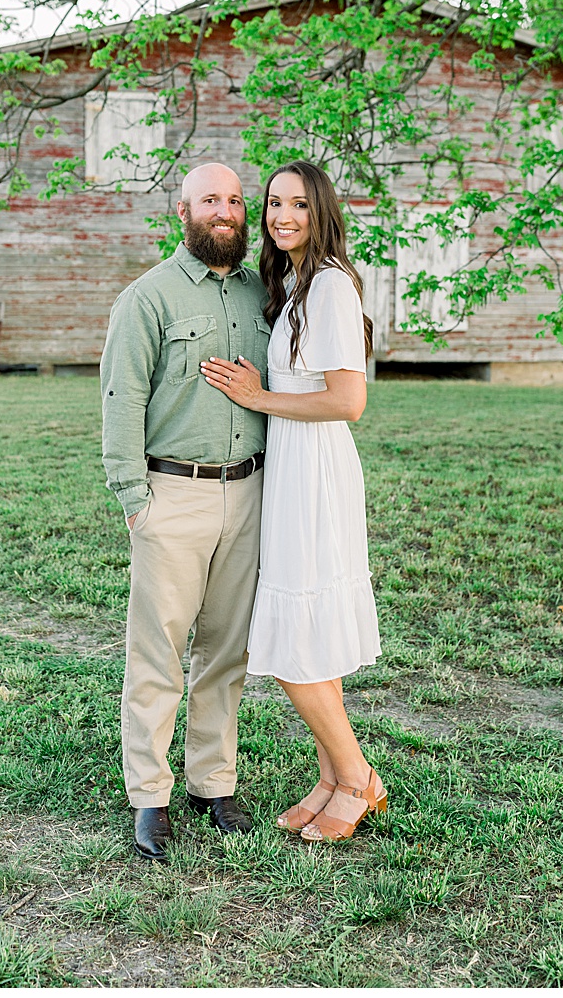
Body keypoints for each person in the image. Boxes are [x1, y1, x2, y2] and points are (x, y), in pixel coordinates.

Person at [199, 158, 386, 842]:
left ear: (321, 213)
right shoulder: (298, 283)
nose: (282, 217)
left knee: (298, 643)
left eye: (298, 206)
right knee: (306, 635)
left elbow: (348, 400)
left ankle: (359, 776)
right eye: (274, 203)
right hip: (293, 467)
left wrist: (256, 397)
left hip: (316, 469)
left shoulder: (331, 285)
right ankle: (332, 778)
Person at [101, 162, 272, 861]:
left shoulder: (266, 293)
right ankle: (150, 796)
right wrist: (135, 502)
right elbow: (120, 402)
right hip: (173, 495)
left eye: (234, 200)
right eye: (211, 199)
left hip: (251, 494)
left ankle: (214, 783)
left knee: (227, 650)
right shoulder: (148, 299)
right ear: (183, 210)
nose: (225, 211)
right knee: (158, 656)